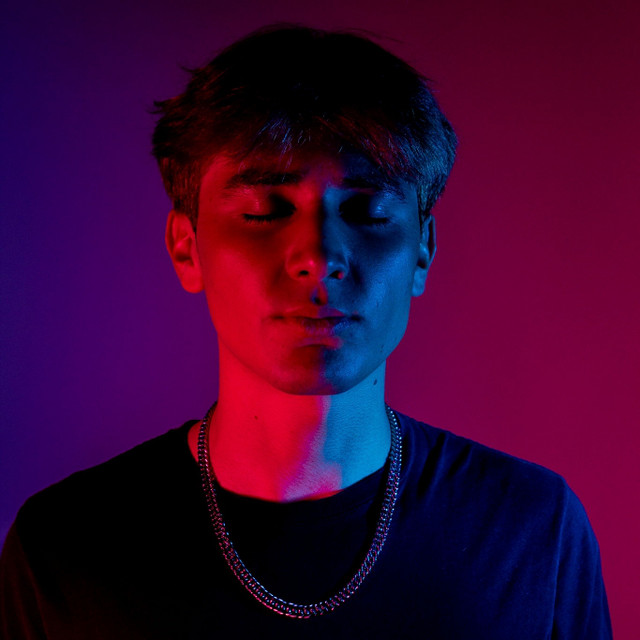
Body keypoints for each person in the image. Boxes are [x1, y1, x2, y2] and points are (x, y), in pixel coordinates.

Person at [0, 25, 611, 639]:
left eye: (368, 212)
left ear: (422, 249)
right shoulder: (63, 549)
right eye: (265, 212)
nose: (318, 257)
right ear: (187, 247)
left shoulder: (533, 533)